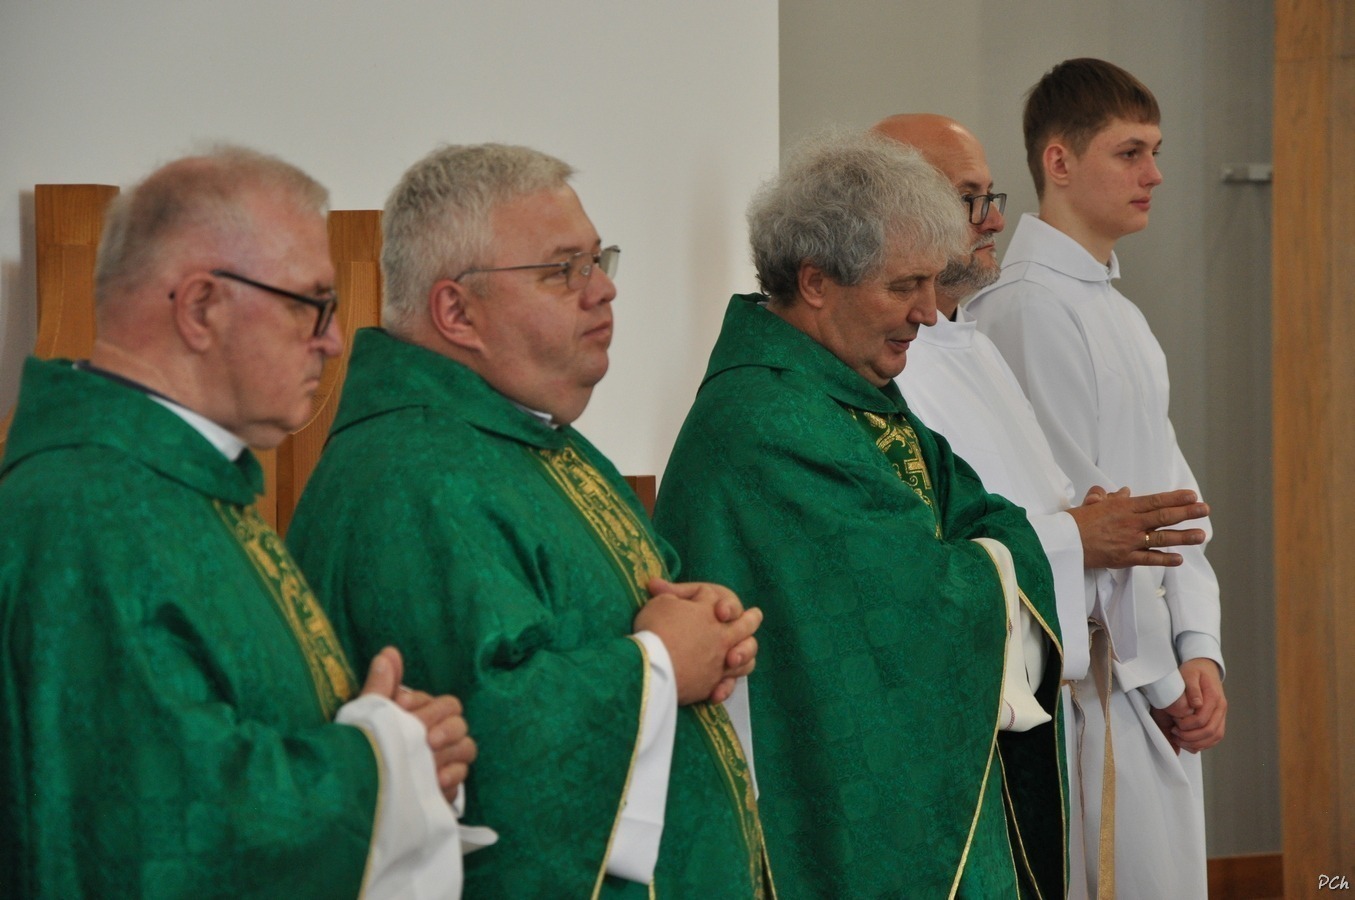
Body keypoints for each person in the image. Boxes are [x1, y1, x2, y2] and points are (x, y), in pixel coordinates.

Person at [288, 143, 771, 898]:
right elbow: (486, 734)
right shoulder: (412, 479)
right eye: (562, 270)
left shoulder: (523, 437)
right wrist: (658, 665)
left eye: (597, 259)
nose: (603, 289)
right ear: (456, 311)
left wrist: (698, 625)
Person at [0, 147, 485, 899]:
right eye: (310, 303)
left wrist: (396, 747)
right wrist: (385, 758)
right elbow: (166, 833)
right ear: (200, 308)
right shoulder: (88, 519)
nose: (333, 338)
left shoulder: (183, 488)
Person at [653, 130, 1065, 898]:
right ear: (815, 282)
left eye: (931, 283)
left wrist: (980, 553)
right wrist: (987, 562)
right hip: (824, 810)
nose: (927, 313)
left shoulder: (845, 395)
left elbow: (985, 514)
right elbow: (907, 604)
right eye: (903, 286)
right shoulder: (765, 423)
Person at [877, 112, 1213, 897]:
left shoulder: (971, 345)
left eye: (988, 196)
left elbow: (1159, 501)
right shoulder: (905, 367)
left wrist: (1194, 642)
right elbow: (934, 556)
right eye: (969, 199)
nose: (994, 218)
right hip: (1028, 700)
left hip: (1082, 673)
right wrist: (1078, 536)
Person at [968, 59, 1228, 897]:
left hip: (1151, 676)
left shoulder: (1116, 312)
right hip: (1101, 684)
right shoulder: (1023, 308)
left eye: (1154, 152)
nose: (1153, 175)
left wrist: (1199, 648)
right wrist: (1163, 680)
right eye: (1129, 152)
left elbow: (1176, 505)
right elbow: (1085, 521)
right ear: (1058, 161)